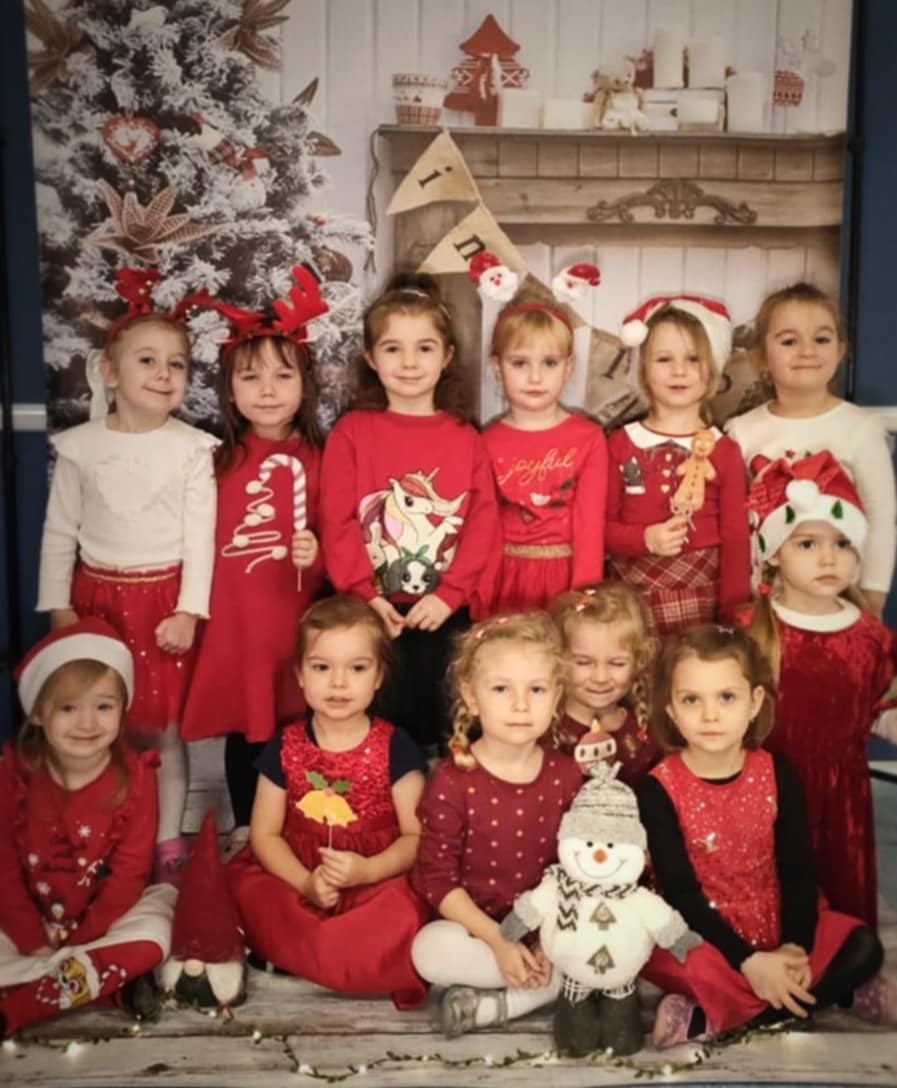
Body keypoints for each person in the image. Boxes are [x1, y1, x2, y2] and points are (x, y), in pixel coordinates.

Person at [36, 268, 218, 883]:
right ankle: (107, 836)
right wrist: (59, 606)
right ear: (110, 373)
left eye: (177, 364)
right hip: (95, 603)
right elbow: (59, 531)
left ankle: (166, 842)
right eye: (148, 361)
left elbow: (200, 539)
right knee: (101, 726)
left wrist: (189, 611)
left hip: (162, 603)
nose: (164, 374)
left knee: (162, 731)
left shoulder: (191, 449)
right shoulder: (80, 447)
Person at [639, 625, 892, 1048]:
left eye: (726, 697)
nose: (710, 715)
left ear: (754, 702)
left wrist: (794, 948)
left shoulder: (776, 773)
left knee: (863, 946)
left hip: (774, 921)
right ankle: (823, 996)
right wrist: (749, 962)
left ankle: (723, 1016)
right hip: (706, 935)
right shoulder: (658, 788)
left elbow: (798, 872)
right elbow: (681, 894)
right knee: (678, 962)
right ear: (670, 709)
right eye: (691, 700)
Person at [320, 271, 499, 751]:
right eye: (393, 348)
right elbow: (336, 520)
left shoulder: (464, 437)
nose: (409, 362)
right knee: (373, 724)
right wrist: (364, 594)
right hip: (368, 611)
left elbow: (483, 524)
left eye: (424, 348)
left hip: (442, 611)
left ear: (447, 357)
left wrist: (451, 595)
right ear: (370, 358)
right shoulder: (352, 433)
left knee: (443, 725)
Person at [180, 268, 327, 856]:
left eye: (282, 375)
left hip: (292, 619)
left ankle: (302, 822)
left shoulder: (319, 458)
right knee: (246, 724)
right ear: (230, 389)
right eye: (251, 376)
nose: (267, 390)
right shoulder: (213, 460)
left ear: (305, 385)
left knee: (296, 722)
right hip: (236, 623)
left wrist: (316, 551)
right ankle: (246, 824)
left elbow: (337, 534)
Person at [226, 596, 429, 1008]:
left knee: (405, 914)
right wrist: (305, 883)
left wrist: (369, 869)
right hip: (299, 870)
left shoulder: (397, 747)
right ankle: (329, 952)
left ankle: (313, 952)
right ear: (300, 674)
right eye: (322, 667)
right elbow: (264, 835)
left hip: (376, 876)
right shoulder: (284, 746)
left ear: (379, 676)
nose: (338, 683)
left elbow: (416, 838)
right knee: (246, 891)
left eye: (357, 668)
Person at [0, 620, 176, 1037]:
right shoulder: (14, 774)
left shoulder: (137, 776)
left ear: (122, 710)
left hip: (104, 921)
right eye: (68, 708)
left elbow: (130, 873)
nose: (87, 722)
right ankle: (104, 987)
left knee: (158, 927)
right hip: (24, 916)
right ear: (38, 713)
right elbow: (3, 868)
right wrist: (32, 939)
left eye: (103, 706)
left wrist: (85, 937)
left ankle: (18, 1005)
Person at [410, 612, 582, 1037]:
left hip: (547, 925)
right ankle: (523, 981)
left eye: (536, 689)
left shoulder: (566, 775)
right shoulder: (453, 779)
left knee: (594, 944)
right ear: (471, 697)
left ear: (556, 697)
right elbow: (436, 879)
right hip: (476, 927)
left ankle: (498, 1004)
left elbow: (577, 869)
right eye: (501, 689)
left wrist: (545, 941)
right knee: (428, 950)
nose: (520, 705)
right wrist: (497, 940)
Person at [745, 451, 897, 928]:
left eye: (843, 543)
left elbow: (884, 708)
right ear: (773, 553)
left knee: (841, 906)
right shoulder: (751, 631)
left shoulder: (872, 637)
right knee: (772, 901)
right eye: (808, 543)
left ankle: (846, 956)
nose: (829, 558)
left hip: (842, 798)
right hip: (765, 792)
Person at [727, 282, 896, 616]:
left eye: (821, 339)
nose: (807, 351)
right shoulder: (741, 432)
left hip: (840, 599)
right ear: (760, 358)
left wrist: (873, 594)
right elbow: (735, 527)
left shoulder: (860, 428)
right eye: (789, 341)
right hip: (765, 606)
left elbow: (881, 517)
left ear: (840, 350)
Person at [606, 295, 750, 634]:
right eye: (664, 359)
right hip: (631, 602)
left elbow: (736, 540)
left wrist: (732, 618)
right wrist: (644, 539)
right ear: (643, 370)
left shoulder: (724, 450)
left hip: (702, 602)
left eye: (693, 358)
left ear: (712, 368)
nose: (679, 370)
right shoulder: (620, 443)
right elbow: (601, 528)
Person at [480, 287, 607, 611]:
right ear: (497, 367)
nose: (535, 377)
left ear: (568, 367)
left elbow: (590, 524)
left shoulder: (588, 438)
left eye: (549, 363)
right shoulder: (485, 441)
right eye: (520, 363)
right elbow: (484, 525)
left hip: (565, 578)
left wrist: (584, 597)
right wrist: (482, 593)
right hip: (507, 576)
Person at [549, 583, 658, 787]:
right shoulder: (542, 730)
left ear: (639, 661)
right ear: (558, 659)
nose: (600, 677)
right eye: (584, 662)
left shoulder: (646, 730)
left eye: (617, 663)